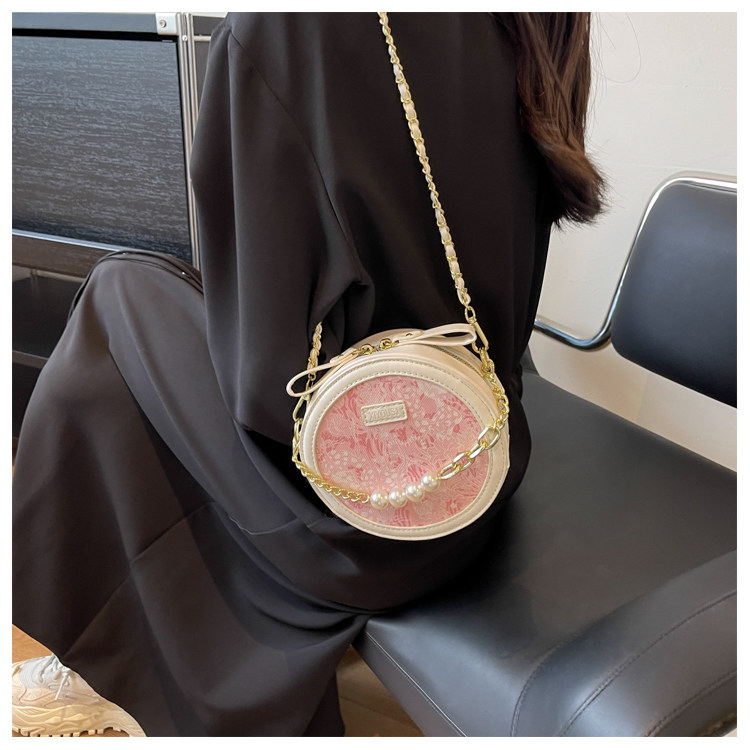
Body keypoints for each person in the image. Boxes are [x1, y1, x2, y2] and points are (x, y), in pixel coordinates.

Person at [12, 12, 605, 737]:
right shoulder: (540, 21)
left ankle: (125, 665)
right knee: (144, 319)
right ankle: (130, 651)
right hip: (477, 470)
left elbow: (265, 388)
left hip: (356, 513)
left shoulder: (289, 26)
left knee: (117, 305)